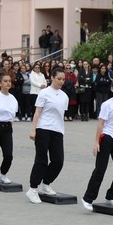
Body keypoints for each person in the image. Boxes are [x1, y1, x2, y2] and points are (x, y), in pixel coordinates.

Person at [81, 78, 113, 210]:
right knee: (100, 169)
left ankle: (112, 196)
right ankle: (88, 198)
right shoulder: (107, 104)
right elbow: (100, 124)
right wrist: (96, 142)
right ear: (112, 89)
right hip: (108, 138)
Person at [26, 67, 68, 204]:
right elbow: (37, 112)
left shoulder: (64, 96)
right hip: (43, 129)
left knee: (58, 161)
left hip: (58, 131)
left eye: (63, 79)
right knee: (41, 160)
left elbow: (61, 115)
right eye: (59, 79)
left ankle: (46, 183)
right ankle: (32, 189)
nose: (61, 81)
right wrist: (33, 130)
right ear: (52, 78)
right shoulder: (44, 93)